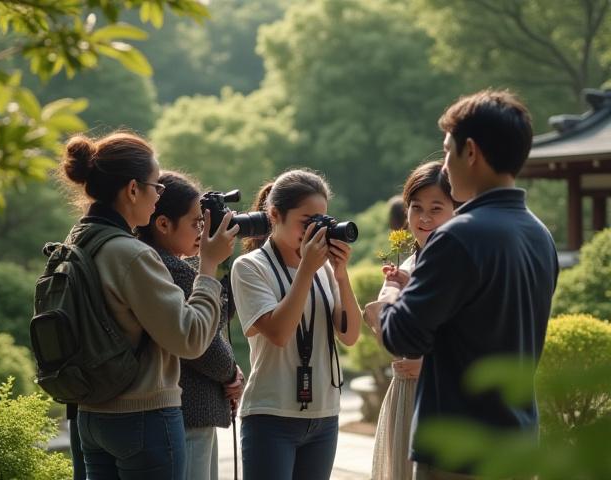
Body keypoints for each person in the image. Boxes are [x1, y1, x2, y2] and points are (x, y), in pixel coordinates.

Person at [380, 90, 559, 479]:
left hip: (458, 452)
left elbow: (400, 336)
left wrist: (394, 292)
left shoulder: (458, 237)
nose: (444, 165)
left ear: (471, 152)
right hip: (518, 443)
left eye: (448, 151)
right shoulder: (539, 235)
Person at [59, 131, 238, 479]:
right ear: (132, 189)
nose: (158, 197)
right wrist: (210, 267)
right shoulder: (131, 254)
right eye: (156, 186)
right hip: (143, 415)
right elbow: (190, 338)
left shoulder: (78, 241)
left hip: (90, 413)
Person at [230, 169, 363, 480]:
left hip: (324, 415)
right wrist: (306, 270)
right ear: (275, 214)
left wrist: (341, 275)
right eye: (307, 222)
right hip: (271, 416)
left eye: (323, 221)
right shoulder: (249, 267)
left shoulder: (324, 269)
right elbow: (278, 332)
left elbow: (350, 335)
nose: (316, 231)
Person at [137, 170, 244, 480]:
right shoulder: (175, 270)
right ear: (163, 224)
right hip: (190, 411)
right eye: (196, 222)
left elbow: (213, 321)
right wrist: (231, 373)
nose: (203, 230)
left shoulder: (149, 260)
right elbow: (203, 344)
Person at [366, 161, 457, 480]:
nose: (425, 218)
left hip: (444, 393)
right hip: (405, 390)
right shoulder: (406, 265)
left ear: (456, 209)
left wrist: (430, 363)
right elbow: (389, 337)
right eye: (416, 208)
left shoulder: (459, 261)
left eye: (437, 207)